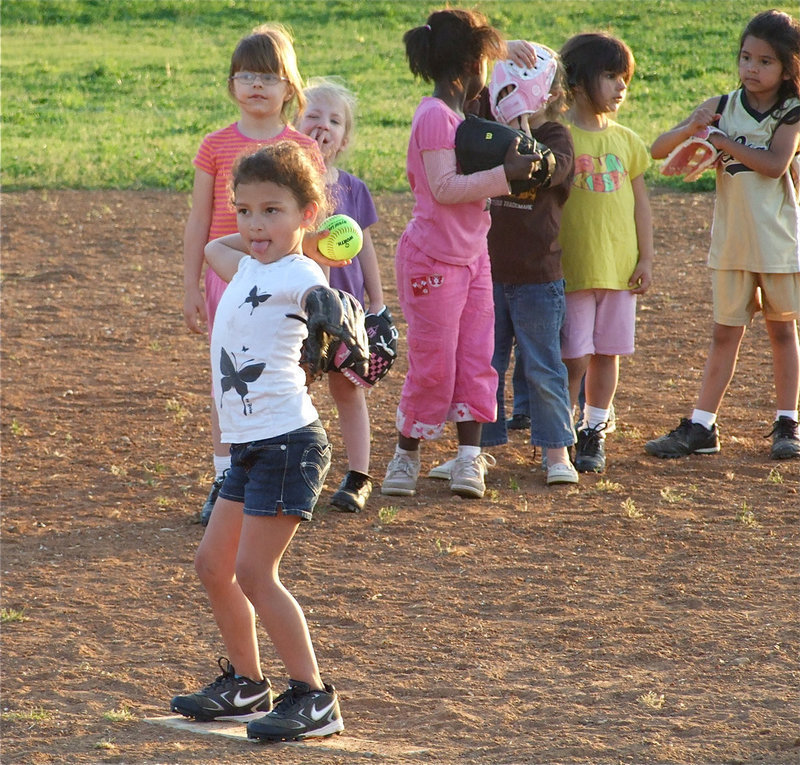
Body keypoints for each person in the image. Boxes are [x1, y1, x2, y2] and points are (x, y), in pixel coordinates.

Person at [170, 142, 345, 741]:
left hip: (288, 442)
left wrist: (326, 300)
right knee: (212, 564)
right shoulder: (249, 263)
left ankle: (315, 697)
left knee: (253, 571)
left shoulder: (300, 273)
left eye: (272, 210)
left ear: (307, 212)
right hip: (249, 445)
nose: (253, 224)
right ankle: (247, 684)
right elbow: (219, 247)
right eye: (245, 210)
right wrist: (262, 236)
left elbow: (313, 295)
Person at [381, 8, 537, 500]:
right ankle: (407, 455)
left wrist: (505, 48)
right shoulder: (433, 116)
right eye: (487, 62)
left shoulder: (456, 114)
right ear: (471, 65)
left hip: (471, 257)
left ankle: (469, 460)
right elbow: (445, 187)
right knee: (434, 364)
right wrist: (507, 176)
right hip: (433, 260)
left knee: (475, 358)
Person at [182, 23, 324, 525]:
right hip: (229, 273)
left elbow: (313, 224)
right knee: (228, 378)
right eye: (245, 75)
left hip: (284, 278)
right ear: (231, 84)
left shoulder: (302, 148)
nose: (256, 84)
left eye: (268, 74)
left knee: (279, 373)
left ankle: (280, 459)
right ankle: (226, 473)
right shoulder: (215, 145)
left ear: (290, 85)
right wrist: (192, 285)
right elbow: (200, 221)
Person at [646, 9, 800, 460]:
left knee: (782, 334)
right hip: (731, 244)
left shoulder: (791, 111)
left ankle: (787, 424)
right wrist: (692, 129)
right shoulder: (722, 105)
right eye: (745, 57)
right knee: (722, 336)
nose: (751, 68)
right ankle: (702, 426)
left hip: (778, 245)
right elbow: (658, 151)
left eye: (765, 61)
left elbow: (773, 165)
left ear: (789, 68)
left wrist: (720, 139)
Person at [428, 43, 578, 486]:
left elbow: (547, 168)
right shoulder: (484, 130)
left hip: (538, 276)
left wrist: (520, 125)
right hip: (487, 274)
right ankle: (476, 452)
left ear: (551, 94)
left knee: (544, 365)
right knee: (482, 362)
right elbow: (464, 112)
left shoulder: (555, 136)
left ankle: (557, 453)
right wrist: (498, 48)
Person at [557, 32, 654, 473]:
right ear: (577, 81)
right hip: (573, 268)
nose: (621, 87)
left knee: (606, 353)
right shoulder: (559, 138)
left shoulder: (628, 141)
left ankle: (593, 427)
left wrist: (646, 258)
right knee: (573, 356)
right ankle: (563, 430)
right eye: (611, 76)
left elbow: (641, 207)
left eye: (625, 79)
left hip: (618, 270)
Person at [296, 77, 386, 512]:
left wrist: (379, 304)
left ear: (345, 137)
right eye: (312, 116)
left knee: (348, 390)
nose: (323, 126)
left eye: (334, 121)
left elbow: (366, 247)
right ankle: (297, 472)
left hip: (347, 313)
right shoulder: (288, 188)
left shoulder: (353, 188)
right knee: (294, 388)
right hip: (297, 309)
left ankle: (358, 475)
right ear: (291, 124)